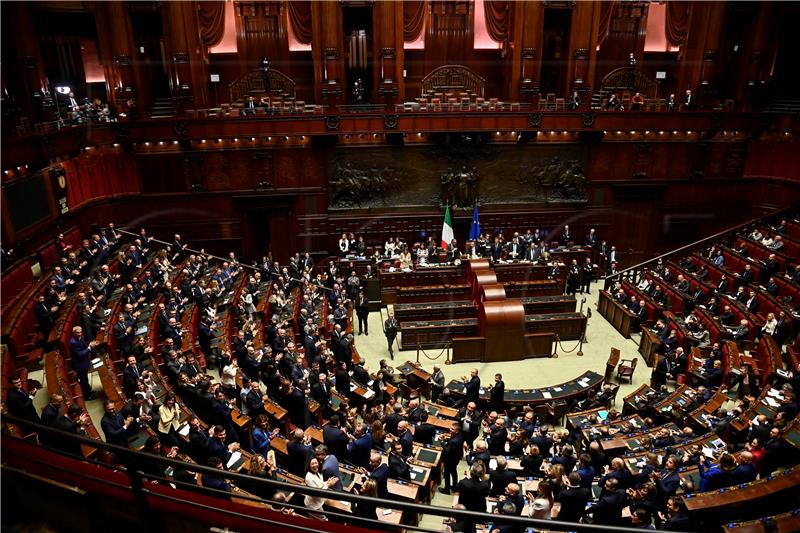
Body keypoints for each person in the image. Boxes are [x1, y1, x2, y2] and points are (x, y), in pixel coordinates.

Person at [69, 326, 97, 400]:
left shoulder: (80, 338)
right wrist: (89, 347)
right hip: (79, 365)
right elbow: (80, 354)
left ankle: (88, 391)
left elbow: (85, 347)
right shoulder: (73, 342)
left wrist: (91, 344)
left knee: (85, 379)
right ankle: (87, 396)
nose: (80, 334)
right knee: (83, 381)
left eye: (80, 332)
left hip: (84, 362)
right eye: (78, 333)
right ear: (74, 333)